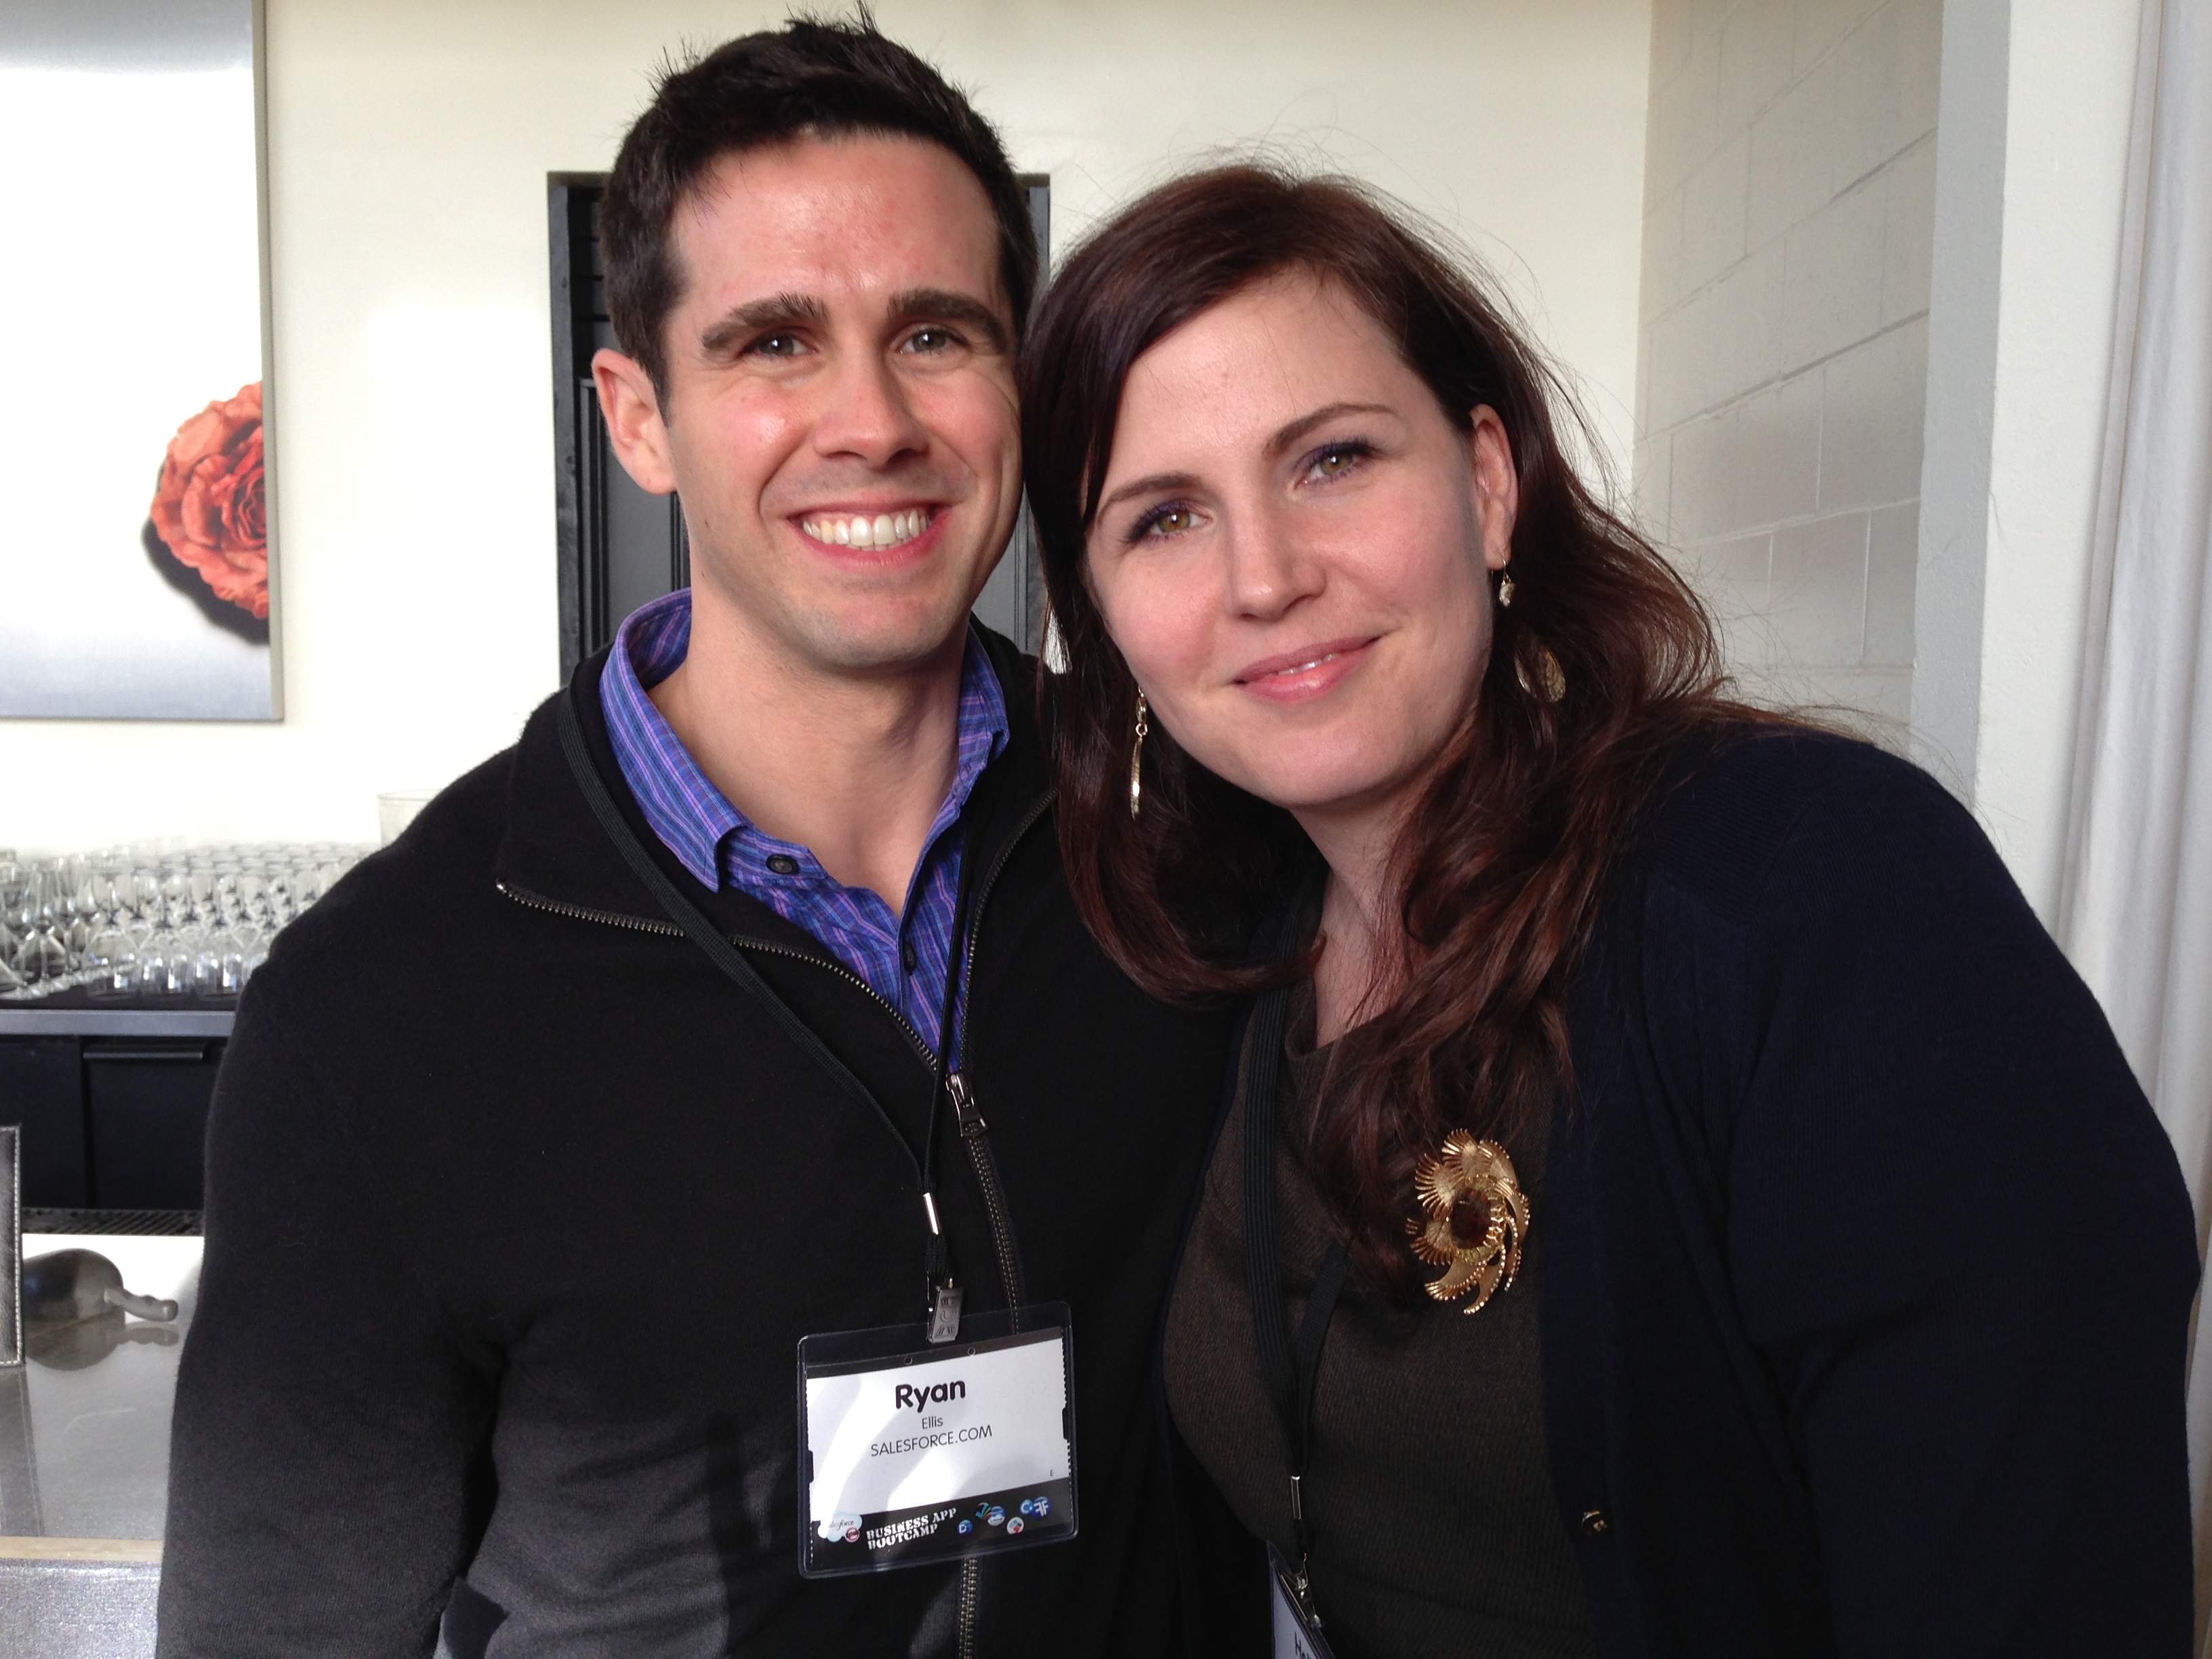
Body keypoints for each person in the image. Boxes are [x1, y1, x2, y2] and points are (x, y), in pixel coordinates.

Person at [1018, 163, 2200, 1658]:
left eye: (1332, 459)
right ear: (1102, 617)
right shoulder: (1228, 952)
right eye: (1165, 518)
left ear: (1489, 483)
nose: (1265, 577)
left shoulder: (1816, 894)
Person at [157, 21, 1233, 1658]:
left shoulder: (1186, 845)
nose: (872, 421)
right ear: (639, 417)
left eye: (935, 333)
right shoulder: (379, 1010)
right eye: (775, 343)